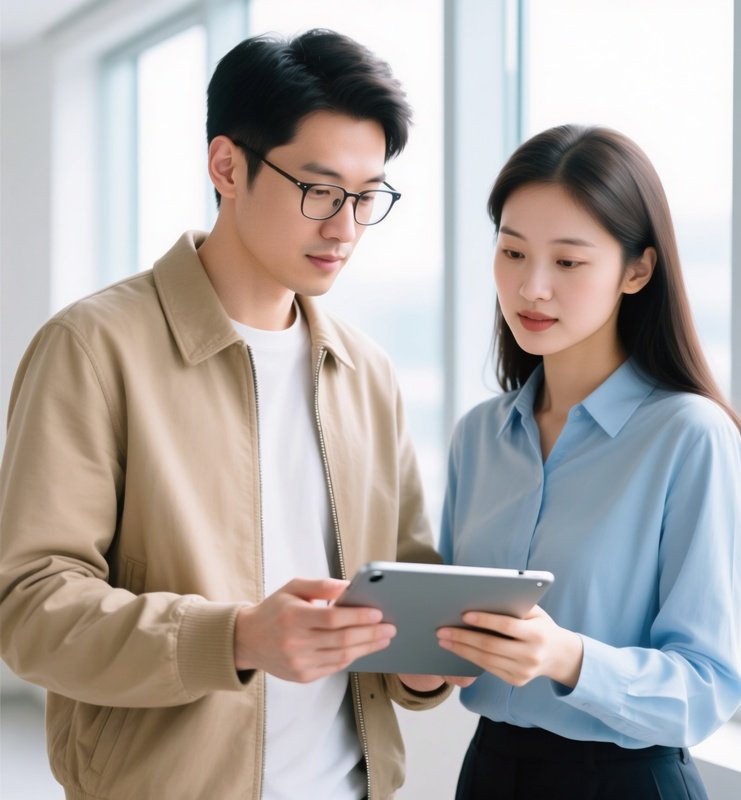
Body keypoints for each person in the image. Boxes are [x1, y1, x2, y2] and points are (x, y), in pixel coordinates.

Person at [0, 29, 452, 800]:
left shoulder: (367, 372)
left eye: (368, 196)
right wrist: (236, 637)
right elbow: (31, 606)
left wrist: (426, 654)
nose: (344, 227)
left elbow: (402, 582)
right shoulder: (92, 347)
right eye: (319, 190)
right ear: (227, 167)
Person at [435, 124, 741, 799]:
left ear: (637, 270)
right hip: (490, 772)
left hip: (624, 782)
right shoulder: (478, 436)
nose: (532, 287)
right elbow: (448, 634)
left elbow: (705, 686)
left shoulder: (689, 436)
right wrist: (415, 660)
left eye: (569, 262)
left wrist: (567, 657)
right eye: (513, 252)